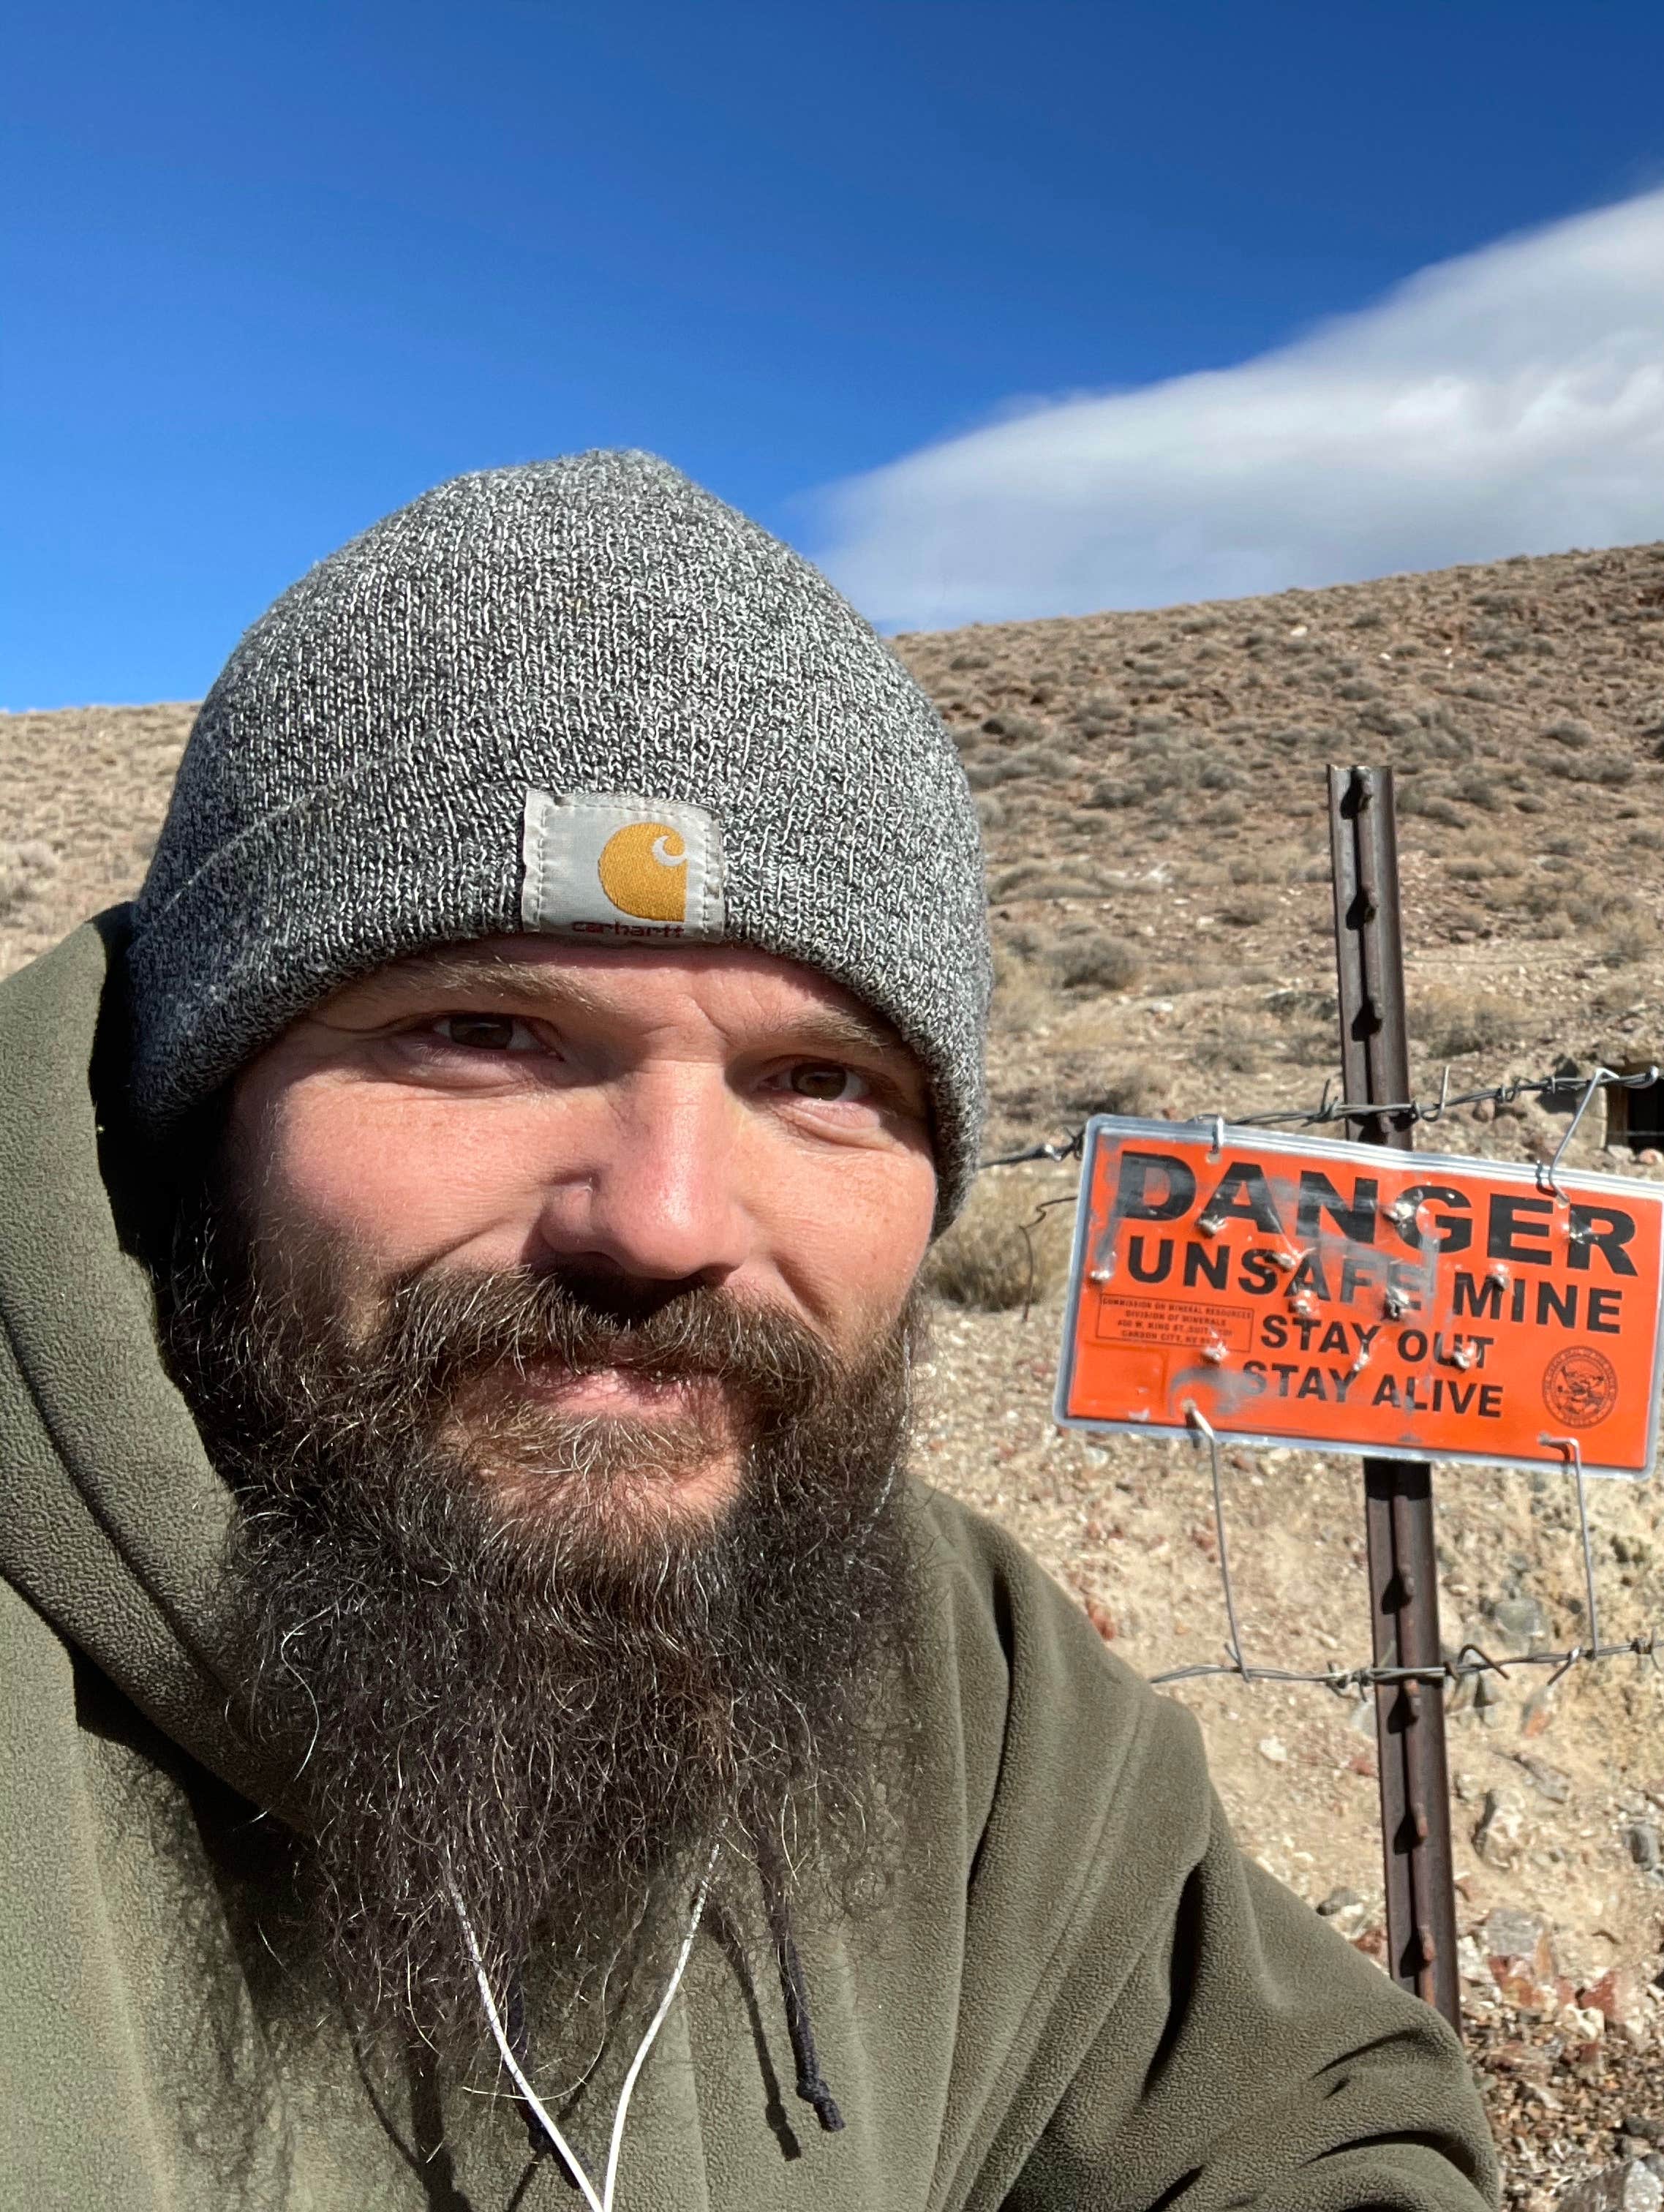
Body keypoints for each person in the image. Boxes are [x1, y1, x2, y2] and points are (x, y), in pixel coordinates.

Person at [0, 451, 1500, 2211]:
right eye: (486, 1033)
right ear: (196, 1110)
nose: (665, 1221)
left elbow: (1301, 2126)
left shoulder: (963, 1675)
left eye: (820, 1081)